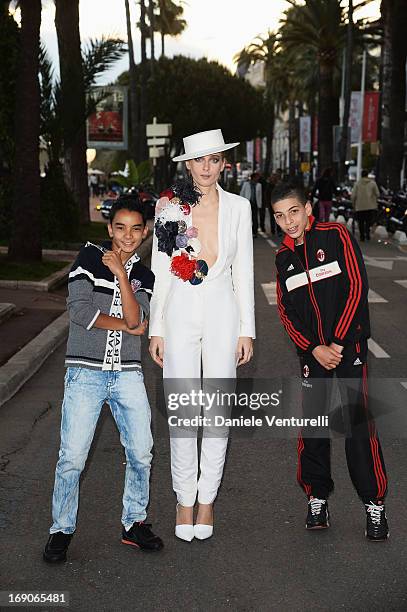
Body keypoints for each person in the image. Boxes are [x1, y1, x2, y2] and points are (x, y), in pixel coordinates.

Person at [43, 196, 163, 563]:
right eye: (120, 227)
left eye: (136, 229)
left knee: (142, 451)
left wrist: (123, 277)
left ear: (145, 232)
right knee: (73, 458)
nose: (128, 236)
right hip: (85, 372)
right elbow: (79, 311)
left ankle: (134, 523)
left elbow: (138, 316)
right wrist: (128, 324)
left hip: (127, 373)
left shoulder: (145, 274)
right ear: (110, 228)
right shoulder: (89, 258)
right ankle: (61, 530)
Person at [149, 129, 255, 542]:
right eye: (200, 160)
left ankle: (207, 499)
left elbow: (244, 272)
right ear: (188, 165)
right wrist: (156, 327)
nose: (207, 167)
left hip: (223, 309)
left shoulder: (240, 208)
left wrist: (246, 329)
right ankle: (183, 499)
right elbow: (161, 270)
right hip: (179, 310)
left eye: (214, 160)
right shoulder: (169, 208)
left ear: (223, 163)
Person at [271, 181, 389, 541]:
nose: (288, 221)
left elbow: (357, 286)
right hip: (313, 356)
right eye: (279, 216)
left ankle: (374, 505)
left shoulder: (335, 234)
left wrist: (336, 342)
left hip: (348, 348)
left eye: (293, 211)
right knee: (314, 427)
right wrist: (313, 348)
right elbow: (286, 311)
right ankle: (317, 498)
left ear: (308, 209)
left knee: (358, 428)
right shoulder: (282, 258)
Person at [351, 170, 380, 241]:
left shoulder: (357, 184)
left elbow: (353, 196)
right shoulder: (373, 183)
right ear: (367, 175)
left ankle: (362, 236)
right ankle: (367, 234)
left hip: (359, 206)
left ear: (361, 175)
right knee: (368, 221)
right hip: (370, 206)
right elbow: (378, 194)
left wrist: (353, 204)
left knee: (360, 222)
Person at [240, 172, 262, 237]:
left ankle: (255, 232)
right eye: (256, 177)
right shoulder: (246, 184)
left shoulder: (259, 185)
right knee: (247, 218)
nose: (258, 178)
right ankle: (247, 232)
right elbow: (242, 192)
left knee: (255, 218)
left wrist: (260, 205)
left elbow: (259, 195)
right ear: (253, 178)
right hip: (247, 203)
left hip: (255, 203)